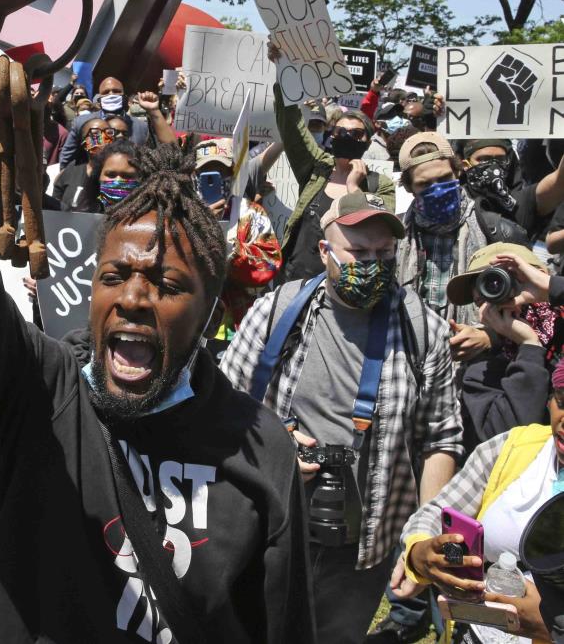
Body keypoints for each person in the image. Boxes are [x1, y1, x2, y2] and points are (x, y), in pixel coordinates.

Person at [0, 0, 315, 643]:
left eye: (169, 282)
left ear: (210, 311)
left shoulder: (259, 447)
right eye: (117, 274)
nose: (136, 296)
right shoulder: (30, 394)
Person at [221, 190, 462, 644]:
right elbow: (222, 399)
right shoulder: (278, 309)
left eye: (382, 252)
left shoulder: (422, 329)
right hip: (268, 529)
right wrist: (277, 448)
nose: (371, 262)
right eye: (357, 250)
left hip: (360, 550)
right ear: (325, 250)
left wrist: (424, 536)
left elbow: (439, 439)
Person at [392, 365, 564, 644]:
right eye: (562, 400)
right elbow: (436, 513)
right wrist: (420, 552)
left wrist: (552, 628)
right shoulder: (514, 448)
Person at [272, 78, 396, 283]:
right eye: (340, 132)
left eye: (356, 134)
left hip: (350, 284)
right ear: (332, 136)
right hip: (296, 281)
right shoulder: (317, 168)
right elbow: (291, 126)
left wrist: (354, 188)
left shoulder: (380, 185)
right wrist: (283, 75)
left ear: (368, 142)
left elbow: (379, 231)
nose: (347, 137)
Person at [446, 243, 562, 454]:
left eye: (512, 281)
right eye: (484, 298)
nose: (502, 301)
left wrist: (552, 288)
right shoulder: (482, 370)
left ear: (541, 276)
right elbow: (506, 441)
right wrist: (529, 347)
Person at [395, 132, 492, 362]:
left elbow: (521, 308)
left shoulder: (491, 227)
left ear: (458, 171)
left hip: (470, 367)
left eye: (444, 179)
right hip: (409, 357)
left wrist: (489, 336)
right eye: (425, 184)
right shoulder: (395, 235)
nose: (437, 189)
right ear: (409, 187)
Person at [460, 138, 564, 246]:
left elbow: (560, 181)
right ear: (466, 165)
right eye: (484, 159)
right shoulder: (457, 202)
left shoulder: (517, 205)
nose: (494, 166)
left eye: (500, 159)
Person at [73, 138, 139, 213]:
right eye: (111, 175)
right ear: (99, 175)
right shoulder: (85, 214)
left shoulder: (148, 221)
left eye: (127, 176)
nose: (117, 181)